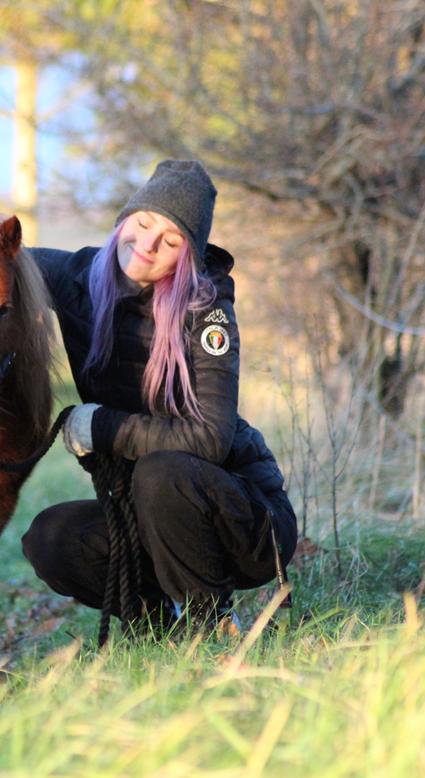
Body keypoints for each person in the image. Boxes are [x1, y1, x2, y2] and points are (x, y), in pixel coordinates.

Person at [20, 159, 297, 633]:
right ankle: (158, 628)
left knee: (161, 470)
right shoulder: (76, 277)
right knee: (51, 539)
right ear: (125, 219)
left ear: (188, 255)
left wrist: (103, 427)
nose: (146, 245)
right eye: (143, 223)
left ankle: (210, 621)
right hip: (145, 520)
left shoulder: (206, 309)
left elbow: (209, 438)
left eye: (169, 241)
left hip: (242, 521)